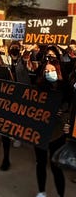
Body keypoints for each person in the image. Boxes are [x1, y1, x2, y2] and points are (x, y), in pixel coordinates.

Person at [33, 57, 67, 197]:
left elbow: (71, 109)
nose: (49, 72)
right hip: (40, 131)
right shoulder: (38, 87)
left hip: (58, 133)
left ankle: (61, 194)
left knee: (56, 166)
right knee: (40, 163)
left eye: (52, 70)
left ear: (58, 71)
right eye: (47, 70)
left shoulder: (67, 89)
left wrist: (67, 122)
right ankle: (41, 191)